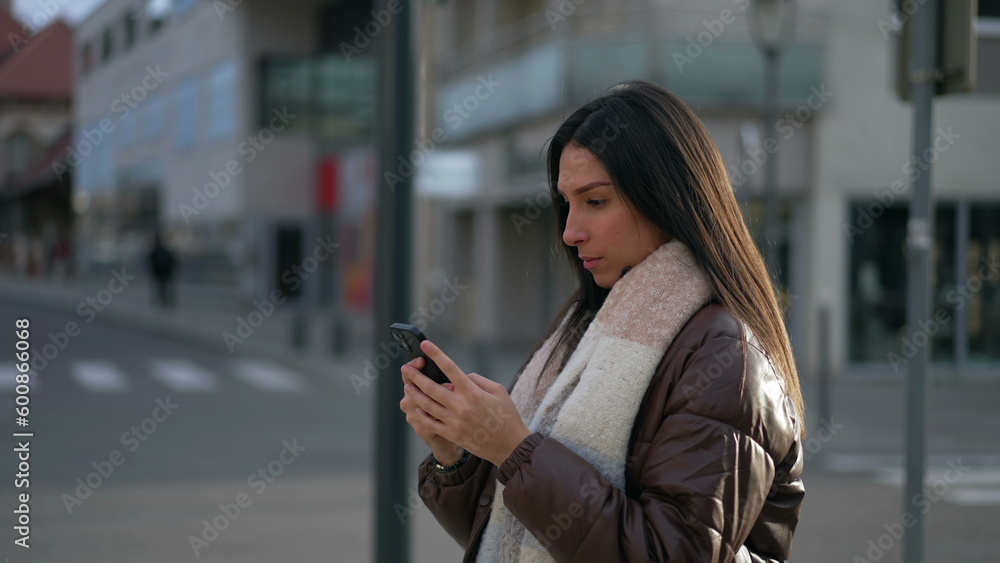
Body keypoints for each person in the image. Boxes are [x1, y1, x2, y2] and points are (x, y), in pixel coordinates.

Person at [399, 80, 806, 562]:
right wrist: (459, 454)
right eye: (566, 203)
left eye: (595, 202)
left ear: (666, 196)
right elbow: (516, 532)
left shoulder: (725, 356)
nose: (570, 231)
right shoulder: (586, 326)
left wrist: (515, 450)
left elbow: (671, 553)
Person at [148, 230, 177, 307]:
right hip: (163, 271)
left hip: (161, 271)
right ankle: (166, 300)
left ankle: (165, 300)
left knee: (163, 287)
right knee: (164, 286)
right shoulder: (162, 251)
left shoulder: (156, 251)